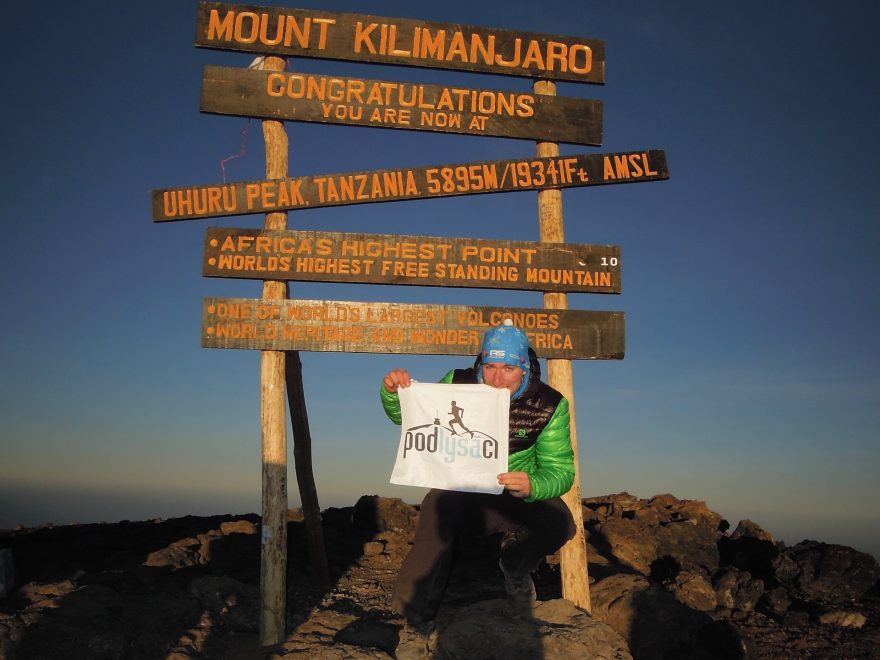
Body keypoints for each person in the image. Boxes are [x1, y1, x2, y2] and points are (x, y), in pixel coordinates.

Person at [380, 319, 576, 659]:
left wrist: (533, 484)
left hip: (514, 491)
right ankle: (416, 622)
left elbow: (561, 471)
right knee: (435, 511)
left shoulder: (549, 404)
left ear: (524, 368)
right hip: (464, 488)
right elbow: (410, 417)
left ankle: (514, 566)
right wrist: (395, 394)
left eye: (508, 369)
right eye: (490, 367)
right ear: (481, 362)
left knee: (560, 523)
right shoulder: (458, 382)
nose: (497, 379)